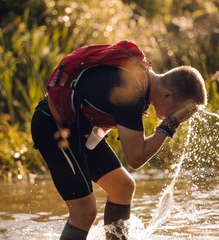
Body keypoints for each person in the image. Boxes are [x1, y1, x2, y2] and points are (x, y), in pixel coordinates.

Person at [31, 49, 207, 239]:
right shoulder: (133, 93)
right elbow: (135, 159)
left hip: (80, 129)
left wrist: (171, 121)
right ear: (167, 96)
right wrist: (169, 124)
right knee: (84, 212)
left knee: (122, 187)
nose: (183, 120)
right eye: (182, 113)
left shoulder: (141, 77)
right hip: (54, 129)